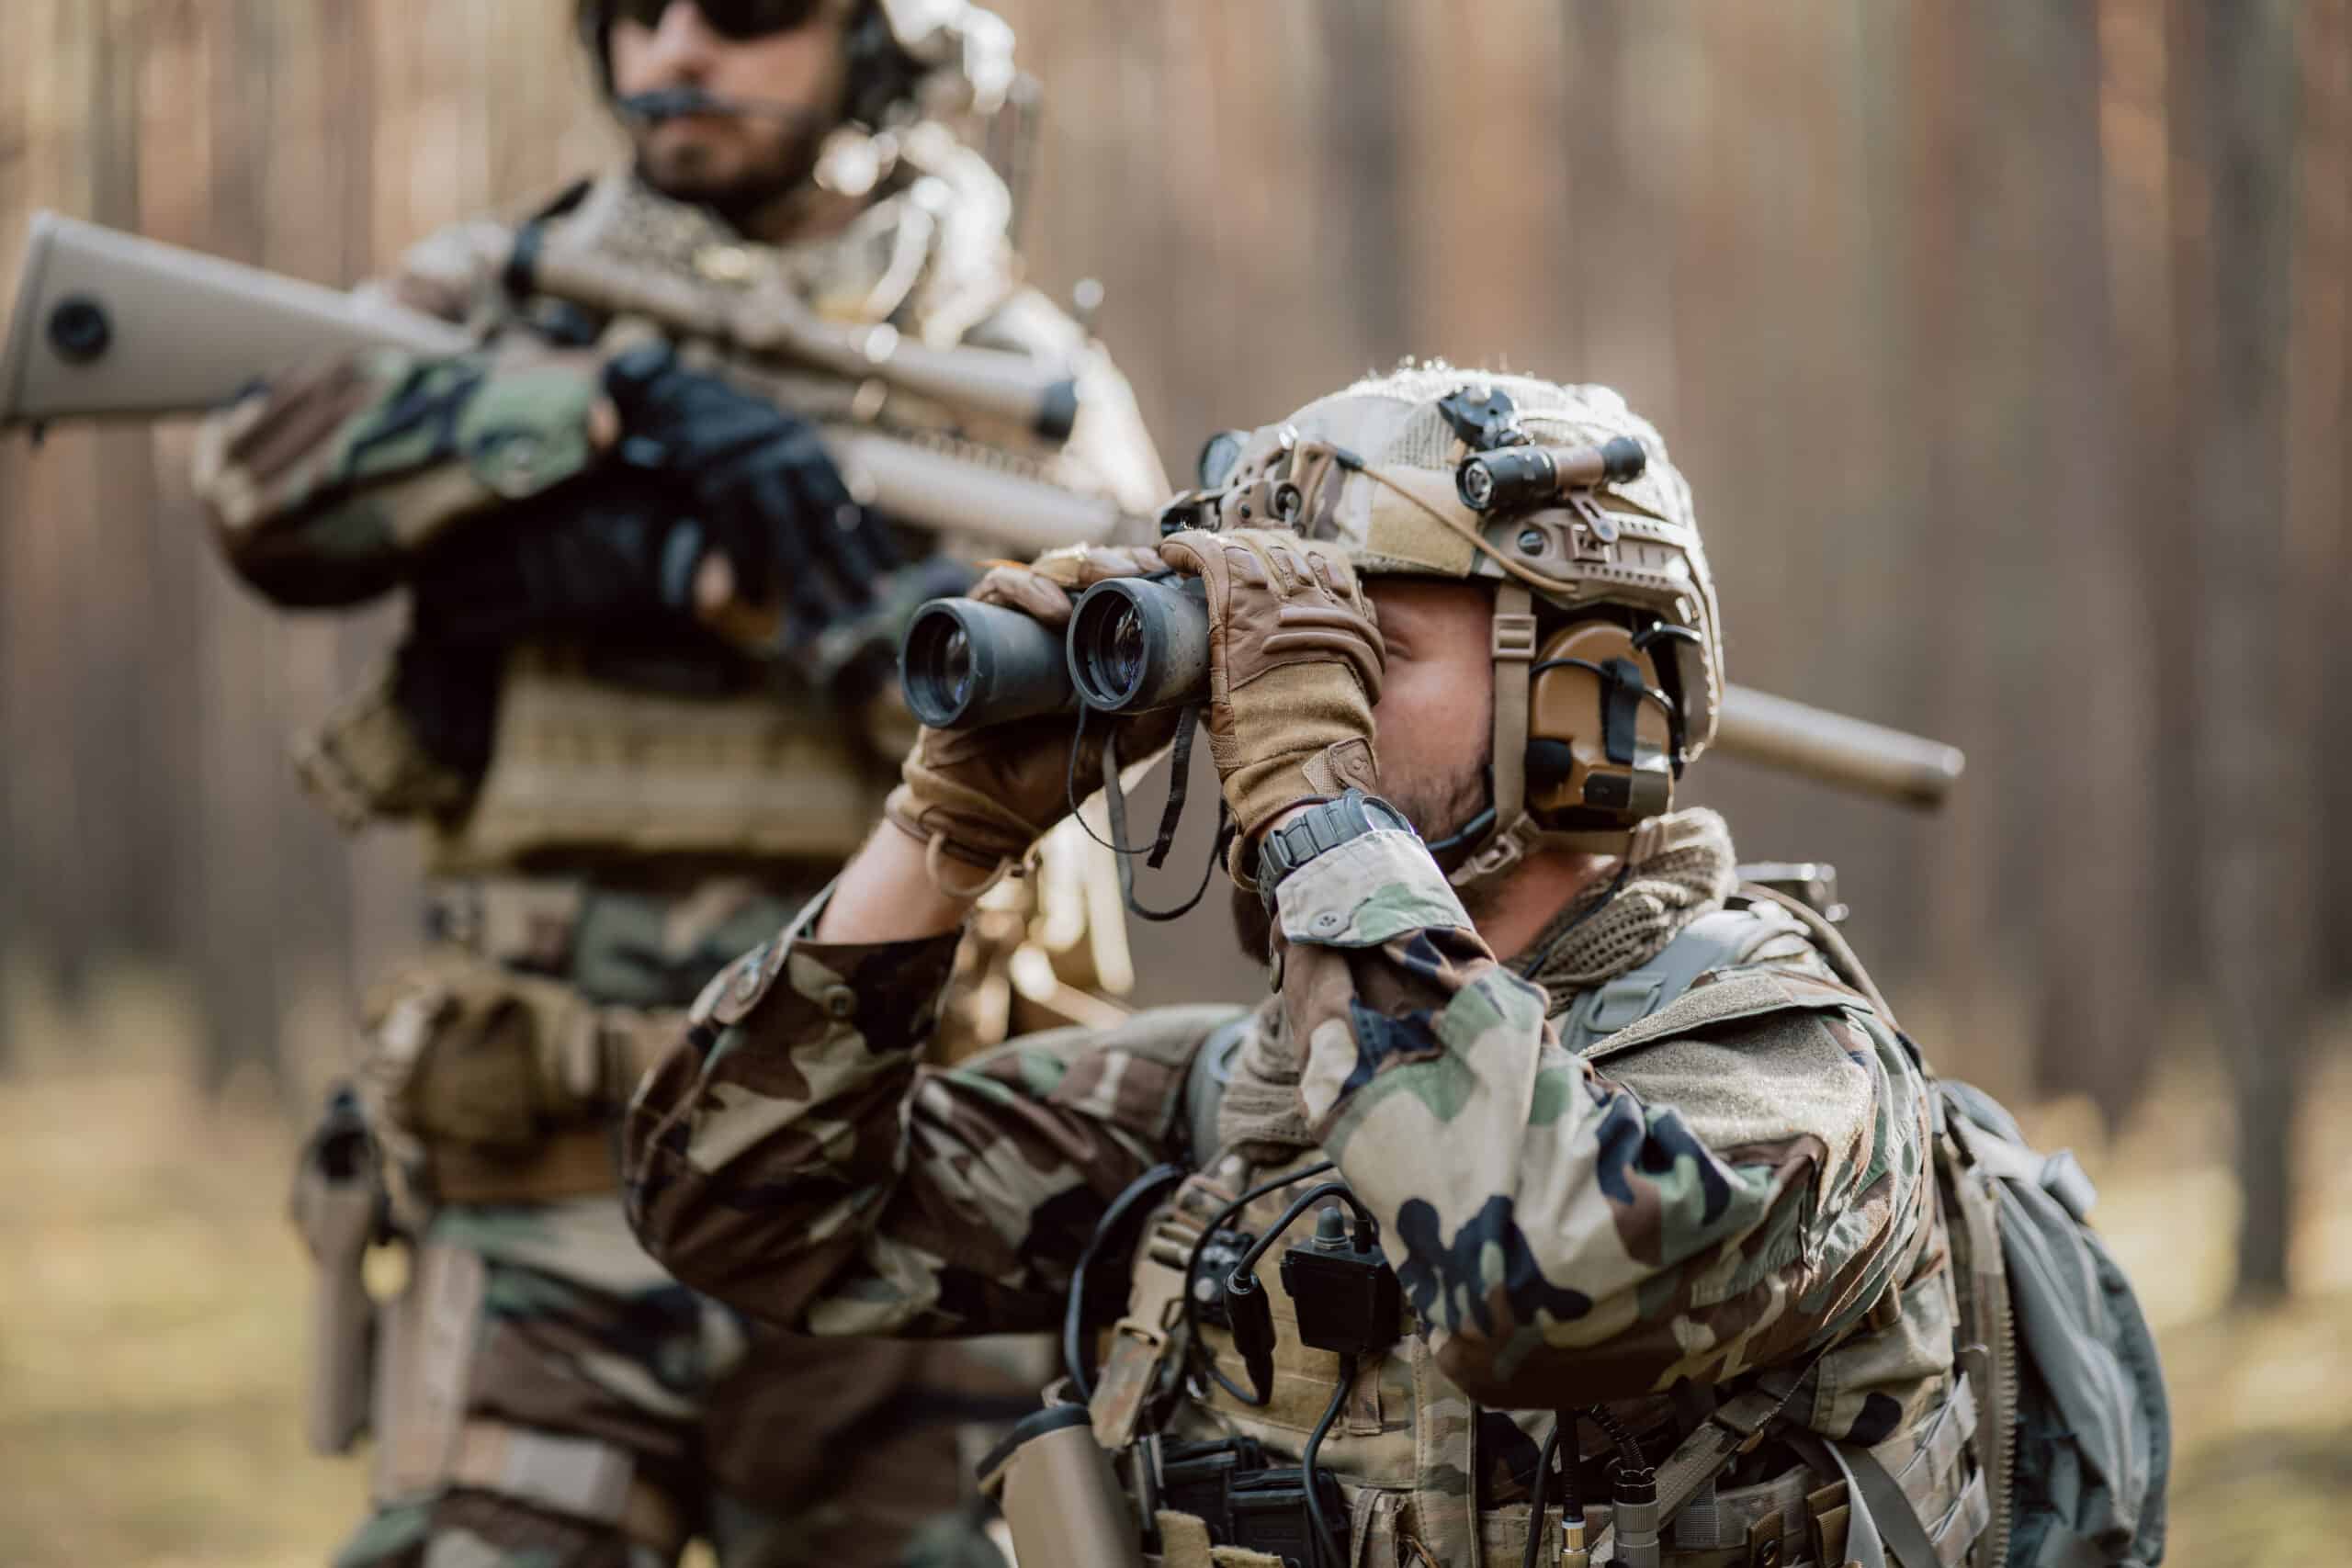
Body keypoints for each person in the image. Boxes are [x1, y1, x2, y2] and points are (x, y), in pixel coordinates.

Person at [622, 368, 1991, 1568]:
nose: (1268, 704)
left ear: (1589, 697)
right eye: (1271, 657)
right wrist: (942, 836)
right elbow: (737, 1206)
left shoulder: (1789, 1067)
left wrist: (1319, 811)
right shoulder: (1253, 1096)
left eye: (1361, 652)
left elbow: (1539, 1280)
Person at [193, 2, 1165, 1564]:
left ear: (881, 44)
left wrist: (767, 594)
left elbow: (1117, 691)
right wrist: (600, 419)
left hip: (897, 1208)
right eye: (634, 11)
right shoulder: (515, 292)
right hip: (541, 1197)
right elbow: (255, 469)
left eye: (746, 8)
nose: (677, 51)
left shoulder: (1010, 367)